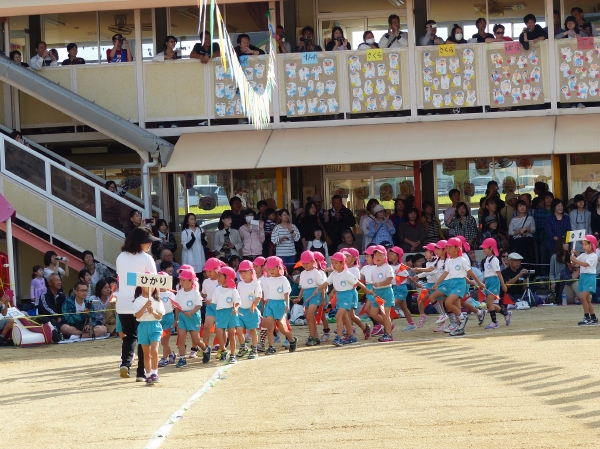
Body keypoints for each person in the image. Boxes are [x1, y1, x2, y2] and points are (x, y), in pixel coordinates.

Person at [116, 227, 159, 381]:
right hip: (141, 303)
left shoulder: (121, 257)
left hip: (123, 303)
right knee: (143, 338)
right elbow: (153, 282)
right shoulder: (146, 258)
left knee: (129, 336)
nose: (150, 244)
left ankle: (125, 363)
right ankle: (141, 373)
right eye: (147, 242)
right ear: (139, 242)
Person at [432, 237, 485, 337]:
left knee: (448, 303)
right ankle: (460, 328)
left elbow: (470, 272)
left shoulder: (462, 260)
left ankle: (463, 318)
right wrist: (437, 283)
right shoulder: (449, 261)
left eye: (450, 247)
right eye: (447, 247)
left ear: (457, 248)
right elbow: (445, 273)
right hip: (452, 284)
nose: (447, 250)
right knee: (457, 307)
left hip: (460, 284)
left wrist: (479, 283)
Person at [175, 268, 212, 368]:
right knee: (181, 339)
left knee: (196, 340)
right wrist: (176, 319)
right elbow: (177, 307)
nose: (181, 282)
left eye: (184, 280)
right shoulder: (179, 292)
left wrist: (191, 312)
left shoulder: (195, 292)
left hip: (193, 316)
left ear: (191, 281)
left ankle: (206, 349)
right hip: (182, 316)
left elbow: (199, 305)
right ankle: (182, 358)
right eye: (180, 280)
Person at [262, 256, 298, 354]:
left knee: (282, 328)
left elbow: (286, 293)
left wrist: (287, 304)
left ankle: (292, 340)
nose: (271, 271)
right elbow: (266, 292)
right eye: (269, 269)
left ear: (279, 267)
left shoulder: (283, 279)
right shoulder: (267, 280)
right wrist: (266, 302)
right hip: (270, 304)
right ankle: (271, 347)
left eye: (273, 269)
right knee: (270, 327)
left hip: (280, 304)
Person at [132, 284, 163, 384]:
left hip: (155, 326)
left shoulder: (157, 300)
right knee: (146, 354)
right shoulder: (138, 300)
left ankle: (155, 373)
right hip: (143, 327)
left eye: (152, 286)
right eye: (147, 286)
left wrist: (153, 312)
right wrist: (145, 306)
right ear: (142, 287)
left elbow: (159, 316)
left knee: (154, 350)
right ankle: (148, 374)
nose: (150, 288)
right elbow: (137, 316)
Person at [210, 266, 241, 364]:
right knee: (219, 332)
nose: (218, 278)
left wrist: (236, 308)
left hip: (231, 313)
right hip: (220, 313)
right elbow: (214, 302)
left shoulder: (233, 290)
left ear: (227, 278)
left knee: (231, 335)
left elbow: (238, 302)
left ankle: (233, 355)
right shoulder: (217, 289)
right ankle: (223, 349)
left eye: (220, 276)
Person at [480, 238, 511, 329]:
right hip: (488, 281)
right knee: (490, 304)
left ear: (491, 248)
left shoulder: (494, 260)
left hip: (494, 281)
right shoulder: (487, 259)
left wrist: (503, 285)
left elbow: (499, 273)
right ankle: (506, 314)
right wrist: (482, 283)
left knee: (489, 302)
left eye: (485, 248)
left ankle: (494, 322)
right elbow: (486, 274)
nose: (483, 249)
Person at [236, 260, 262, 359]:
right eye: (241, 272)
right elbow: (237, 297)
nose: (243, 275)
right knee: (239, 330)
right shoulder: (240, 284)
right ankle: (243, 347)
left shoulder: (256, 284)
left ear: (252, 272)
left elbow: (258, 297)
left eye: (245, 272)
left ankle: (254, 349)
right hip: (241, 311)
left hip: (251, 311)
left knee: (252, 331)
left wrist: (254, 305)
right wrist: (236, 307)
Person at [570, 235, 598, 324]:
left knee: (582, 297)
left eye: (586, 244)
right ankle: (593, 317)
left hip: (590, 277)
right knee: (587, 300)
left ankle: (587, 317)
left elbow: (585, 264)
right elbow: (573, 265)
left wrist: (575, 260)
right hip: (583, 277)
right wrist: (572, 256)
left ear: (592, 245)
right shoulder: (583, 255)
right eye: (583, 244)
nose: (583, 246)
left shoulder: (594, 256)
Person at [388, 246, 416, 331]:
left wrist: (417, 285)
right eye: (389, 254)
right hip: (394, 289)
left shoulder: (401, 266)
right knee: (404, 308)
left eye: (392, 254)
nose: (389, 255)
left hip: (401, 289)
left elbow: (409, 277)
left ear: (398, 256)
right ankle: (411, 324)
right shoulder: (389, 266)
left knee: (391, 306)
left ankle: (388, 325)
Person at [37, 274, 67, 342]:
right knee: (52, 321)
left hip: (61, 319)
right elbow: (46, 308)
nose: (59, 282)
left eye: (60, 280)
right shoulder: (44, 295)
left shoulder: (62, 295)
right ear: (50, 283)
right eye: (56, 280)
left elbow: (66, 308)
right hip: (48, 320)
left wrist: (64, 317)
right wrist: (57, 317)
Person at [509, 199, 536, 266]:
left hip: (529, 241)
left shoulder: (530, 218)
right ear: (517, 208)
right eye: (520, 206)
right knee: (520, 259)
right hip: (519, 242)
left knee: (530, 259)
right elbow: (510, 232)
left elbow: (533, 230)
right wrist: (519, 232)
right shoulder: (514, 220)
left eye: (524, 206)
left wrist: (526, 229)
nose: (522, 208)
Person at [181, 213, 207, 277]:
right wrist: (192, 239)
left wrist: (202, 238)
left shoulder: (201, 230)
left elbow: (205, 244)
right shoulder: (185, 232)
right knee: (190, 275)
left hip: (199, 256)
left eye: (194, 219)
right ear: (187, 222)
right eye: (191, 219)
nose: (194, 221)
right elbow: (186, 247)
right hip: (189, 257)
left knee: (200, 275)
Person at [549, 237, 570, 302]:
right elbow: (551, 273)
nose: (567, 245)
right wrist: (553, 282)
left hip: (568, 280)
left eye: (567, 243)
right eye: (565, 243)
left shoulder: (570, 256)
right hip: (558, 281)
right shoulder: (554, 257)